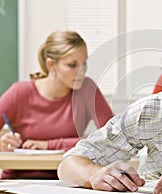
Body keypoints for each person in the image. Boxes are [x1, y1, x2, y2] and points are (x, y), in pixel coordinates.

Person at [0, 29, 113, 179]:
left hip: (68, 182)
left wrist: (48, 145)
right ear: (51, 65)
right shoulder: (19, 92)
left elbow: (112, 137)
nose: (82, 71)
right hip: (18, 182)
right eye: (72, 65)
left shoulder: (88, 90)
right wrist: (2, 143)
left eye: (84, 63)